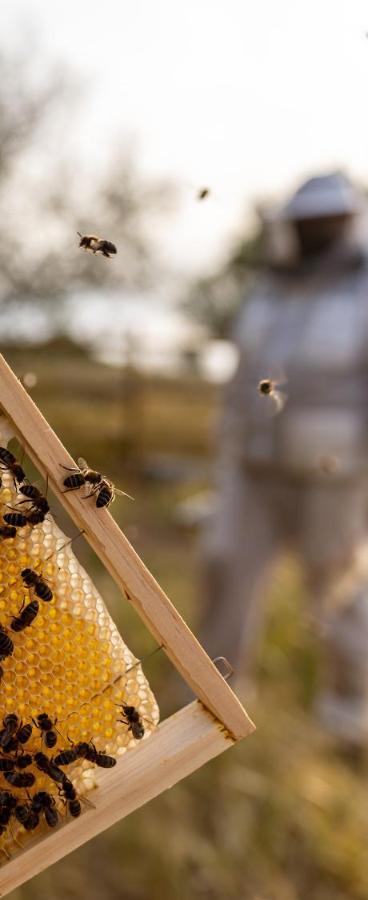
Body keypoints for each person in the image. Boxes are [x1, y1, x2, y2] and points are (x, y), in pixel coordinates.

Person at [198, 172, 368, 747]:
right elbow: (242, 377)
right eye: (305, 221)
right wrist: (225, 444)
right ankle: (213, 710)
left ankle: (349, 719)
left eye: (326, 219)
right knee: (224, 572)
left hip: (336, 477)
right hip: (254, 468)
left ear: (345, 221)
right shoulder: (270, 288)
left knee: (338, 591)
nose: (315, 229)